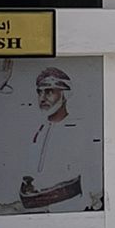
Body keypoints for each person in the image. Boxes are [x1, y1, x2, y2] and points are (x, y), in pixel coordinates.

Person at [18, 66, 96, 212]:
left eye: (49, 92)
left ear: (65, 94)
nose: (42, 98)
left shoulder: (79, 130)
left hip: (72, 209)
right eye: (39, 92)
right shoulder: (38, 131)